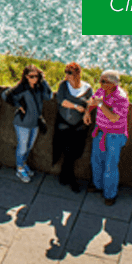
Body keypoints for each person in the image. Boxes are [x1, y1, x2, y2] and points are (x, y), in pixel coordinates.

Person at [85, 70, 130, 206]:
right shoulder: (102, 91)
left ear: (112, 83)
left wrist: (100, 104)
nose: (100, 83)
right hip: (100, 132)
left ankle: (110, 194)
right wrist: (88, 112)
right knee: (96, 160)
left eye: (104, 81)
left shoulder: (121, 98)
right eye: (101, 80)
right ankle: (98, 185)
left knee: (110, 165)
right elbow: (93, 100)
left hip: (114, 135)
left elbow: (113, 117)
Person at [4, 64, 52, 183]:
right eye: (31, 76)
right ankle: (19, 169)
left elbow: (49, 96)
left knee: (29, 146)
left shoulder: (39, 87)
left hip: (34, 123)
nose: (34, 79)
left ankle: (23, 164)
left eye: (36, 76)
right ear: (26, 76)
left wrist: (44, 81)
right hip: (22, 123)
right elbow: (5, 95)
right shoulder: (22, 88)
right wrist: (18, 105)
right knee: (22, 147)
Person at [51, 62, 92, 192]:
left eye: (70, 73)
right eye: (66, 72)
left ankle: (64, 175)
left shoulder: (87, 88)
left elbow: (90, 103)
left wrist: (86, 112)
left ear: (78, 74)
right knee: (68, 152)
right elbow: (61, 101)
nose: (67, 75)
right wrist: (75, 106)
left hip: (79, 127)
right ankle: (71, 179)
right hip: (64, 125)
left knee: (76, 152)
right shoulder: (63, 86)